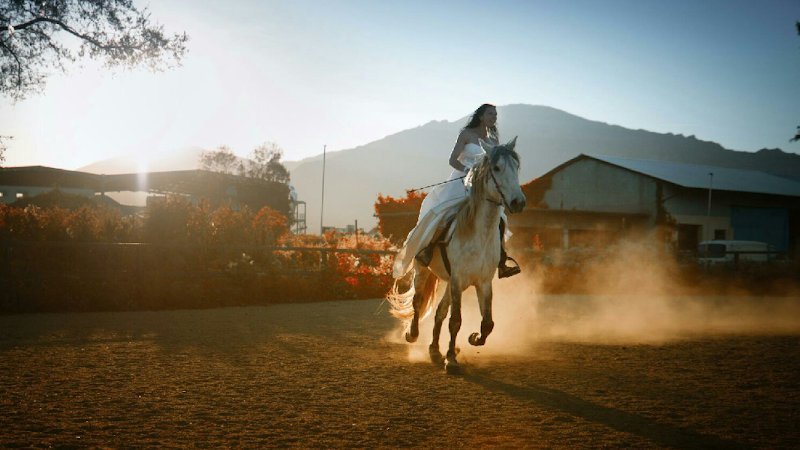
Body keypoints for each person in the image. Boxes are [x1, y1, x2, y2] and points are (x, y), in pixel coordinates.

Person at [392, 103, 520, 279]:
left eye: (496, 114)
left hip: (481, 187)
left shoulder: (493, 141)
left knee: (498, 218)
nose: (494, 117)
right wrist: (469, 170)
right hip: (460, 180)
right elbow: (452, 160)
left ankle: (501, 261)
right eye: (491, 113)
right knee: (444, 214)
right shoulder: (466, 134)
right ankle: (427, 251)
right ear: (481, 116)